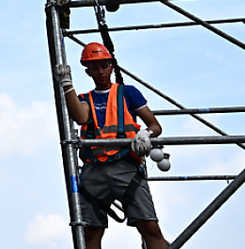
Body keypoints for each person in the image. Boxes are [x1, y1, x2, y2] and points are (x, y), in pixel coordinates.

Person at [61, 43, 169, 249]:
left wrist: (146, 133)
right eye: (95, 68)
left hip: (125, 166)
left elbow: (155, 125)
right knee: (90, 232)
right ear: (88, 71)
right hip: (94, 170)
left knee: (149, 226)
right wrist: (68, 86)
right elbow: (80, 117)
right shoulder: (84, 99)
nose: (100, 71)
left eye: (104, 66)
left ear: (111, 66)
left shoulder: (128, 93)